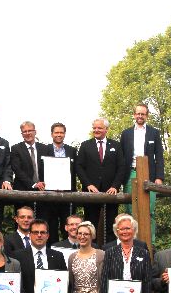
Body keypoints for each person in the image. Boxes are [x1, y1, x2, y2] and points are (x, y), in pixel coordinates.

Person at [75, 117, 125, 245]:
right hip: (91, 192)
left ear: (106, 129)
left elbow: (121, 167)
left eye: (99, 128)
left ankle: (109, 251)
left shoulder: (116, 145)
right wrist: (88, 184)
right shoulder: (85, 145)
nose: (96, 130)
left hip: (111, 192)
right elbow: (79, 167)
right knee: (90, 225)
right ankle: (90, 250)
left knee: (111, 225)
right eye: (94, 128)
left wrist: (115, 186)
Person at [121, 103, 164, 240]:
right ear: (134, 115)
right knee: (130, 210)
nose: (140, 116)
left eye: (143, 114)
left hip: (149, 174)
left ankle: (150, 243)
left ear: (147, 116)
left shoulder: (154, 133)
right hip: (131, 173)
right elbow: (121, 158)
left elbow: (159, 156)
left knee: (149, 210)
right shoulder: (126, 133)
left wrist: (159, 177)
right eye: (138, 113)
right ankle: (132, 241)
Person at [42, 122, 78, 245]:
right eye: (56, 132)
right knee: (51, 227)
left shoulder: (72, 150)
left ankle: (69, 251)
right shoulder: (44, 149)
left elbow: (76, 170)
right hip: (49, 196)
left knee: (67, 227)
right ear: (51, 134)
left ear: (65, 134)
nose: (59, 135)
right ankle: (52, 252)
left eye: (61, 132)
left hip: (67, 195)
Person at [10, 121, 49, 215]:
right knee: (23, 220)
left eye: (30, 130)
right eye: (25, 131)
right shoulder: (16, 148)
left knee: (41, 220)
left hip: (43, 192)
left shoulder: (45, 148)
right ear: (22, 134)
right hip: (23, 192)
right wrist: (34, 184)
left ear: (35, 132)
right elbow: (17, 170)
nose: (27, 133)